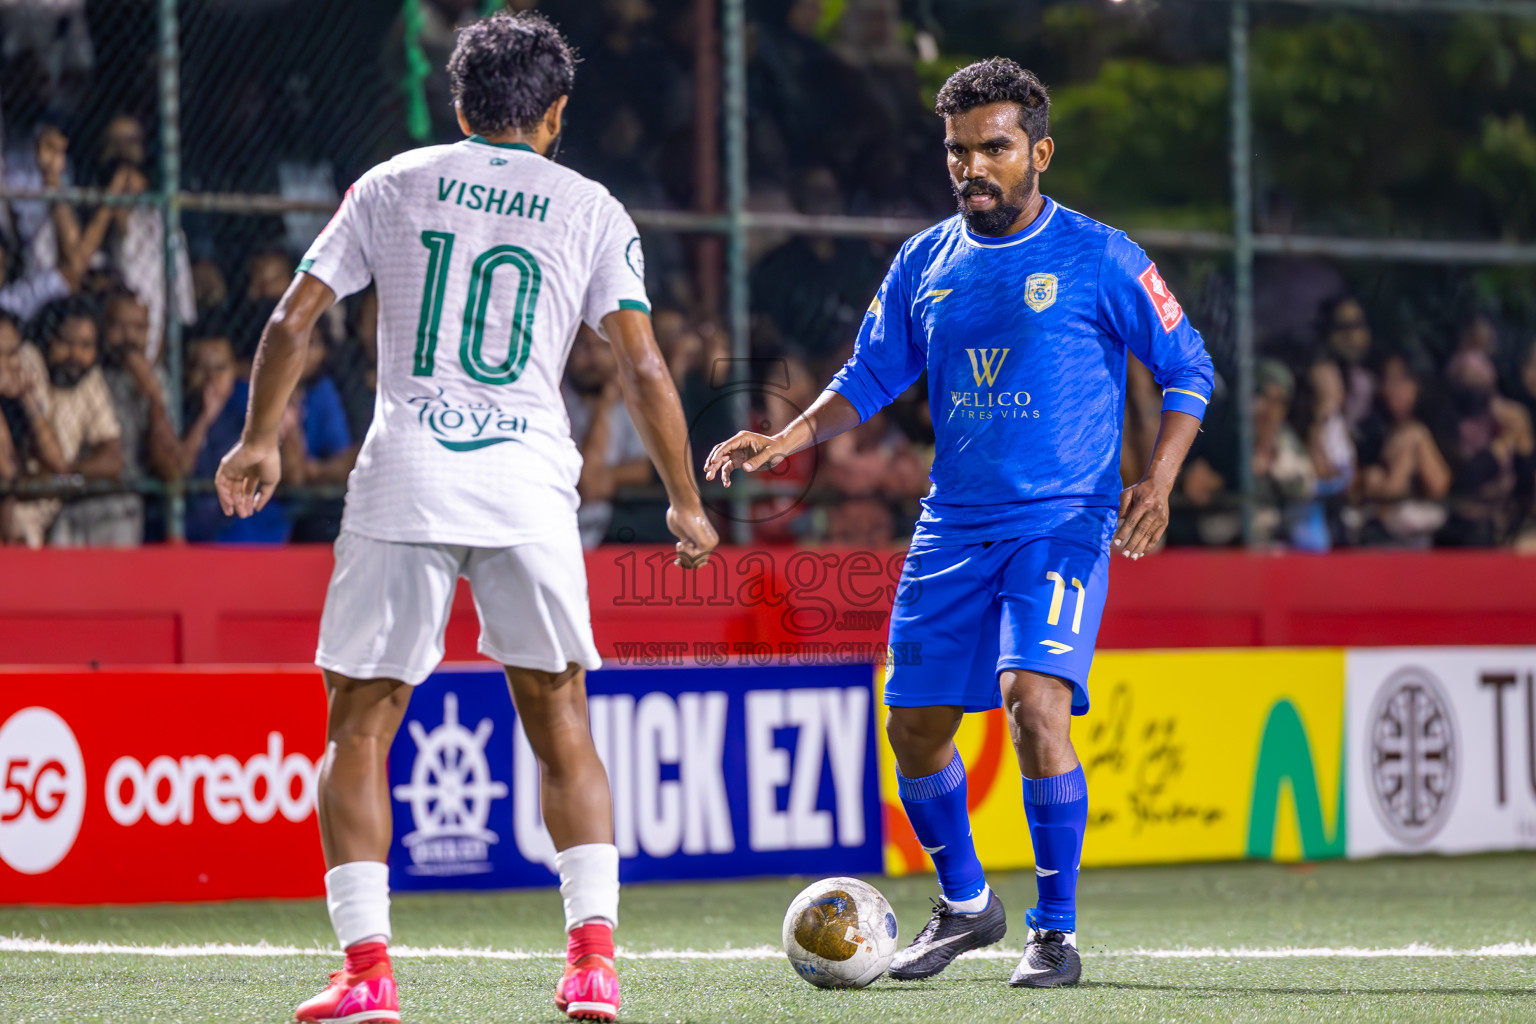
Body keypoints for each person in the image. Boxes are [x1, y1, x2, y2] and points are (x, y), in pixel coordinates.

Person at [212, 13, 716, 1023]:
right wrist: (684, 500)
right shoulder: (590, 205)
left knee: (359, 726)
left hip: (405, 474)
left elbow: (289, 320)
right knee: (559, 716)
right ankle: (592, 963)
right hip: (529, 484)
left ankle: (367, 973)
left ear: (459, 104)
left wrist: (260, 439)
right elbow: (644, 364)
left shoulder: (391, 182)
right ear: (556, 114)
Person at [705, 58, 1213, 989]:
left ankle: (1054, 933)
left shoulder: (1100, 255)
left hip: (1064, 521)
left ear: (1039, 153)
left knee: (1033, 701)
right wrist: (787, 439)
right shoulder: (925, 261)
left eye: (994, 148)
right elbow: (868, 375)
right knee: (914, 729)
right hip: (951, 527)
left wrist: (1161, 479)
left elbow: (1189, 368)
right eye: (957, 150)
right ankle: (970, 903)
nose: (973, 166)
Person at [564, 324, 653, 548]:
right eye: (583, 347)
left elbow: (645, 467)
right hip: (561, 524)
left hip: (613, 528)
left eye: (602, 347)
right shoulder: (556, 401)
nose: (593, 357)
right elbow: (586, 480)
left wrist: (611, 477)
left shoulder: (630, 405)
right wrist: (604, 405)